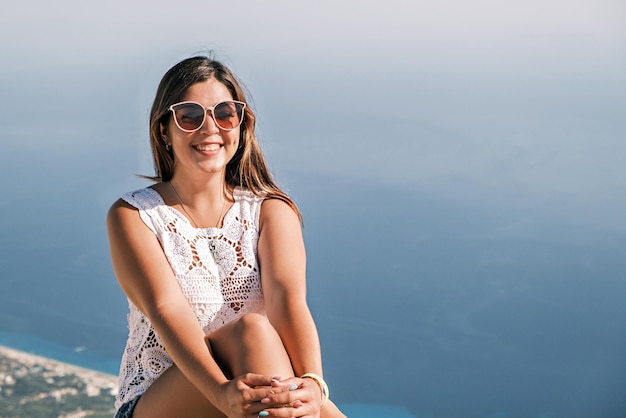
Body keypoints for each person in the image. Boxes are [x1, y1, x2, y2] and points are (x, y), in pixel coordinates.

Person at [106, 55, 347, 418]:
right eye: (190, 116)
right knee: (252, 331)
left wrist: (313, 382)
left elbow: (289, 301)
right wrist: (221, 392)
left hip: (257, 390)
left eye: (225, 113)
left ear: (240, 124)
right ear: (163, 130)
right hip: (166, 401)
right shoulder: (135, 216)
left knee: (284, 379)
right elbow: (167, 309)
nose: (210, 128)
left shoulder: (271, 211)